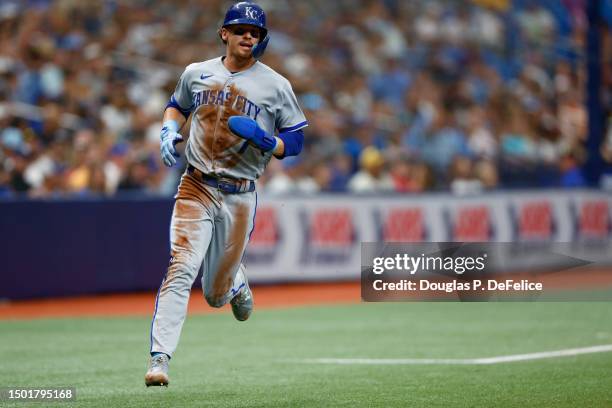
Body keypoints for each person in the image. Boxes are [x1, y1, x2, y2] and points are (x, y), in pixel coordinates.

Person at [145, 1, 307, 387]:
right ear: (225, 34)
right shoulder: (196, 72)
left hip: (239, 193)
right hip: (196, 183)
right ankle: (160, 359)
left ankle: (234, 283)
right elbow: (175, 106)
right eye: (241, 30)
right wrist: (168, 130)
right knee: (181, 267)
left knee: (214, 295)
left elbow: (297, 140)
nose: (248, 37)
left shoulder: (275, 85)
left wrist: (269, 142)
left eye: (255, 33)